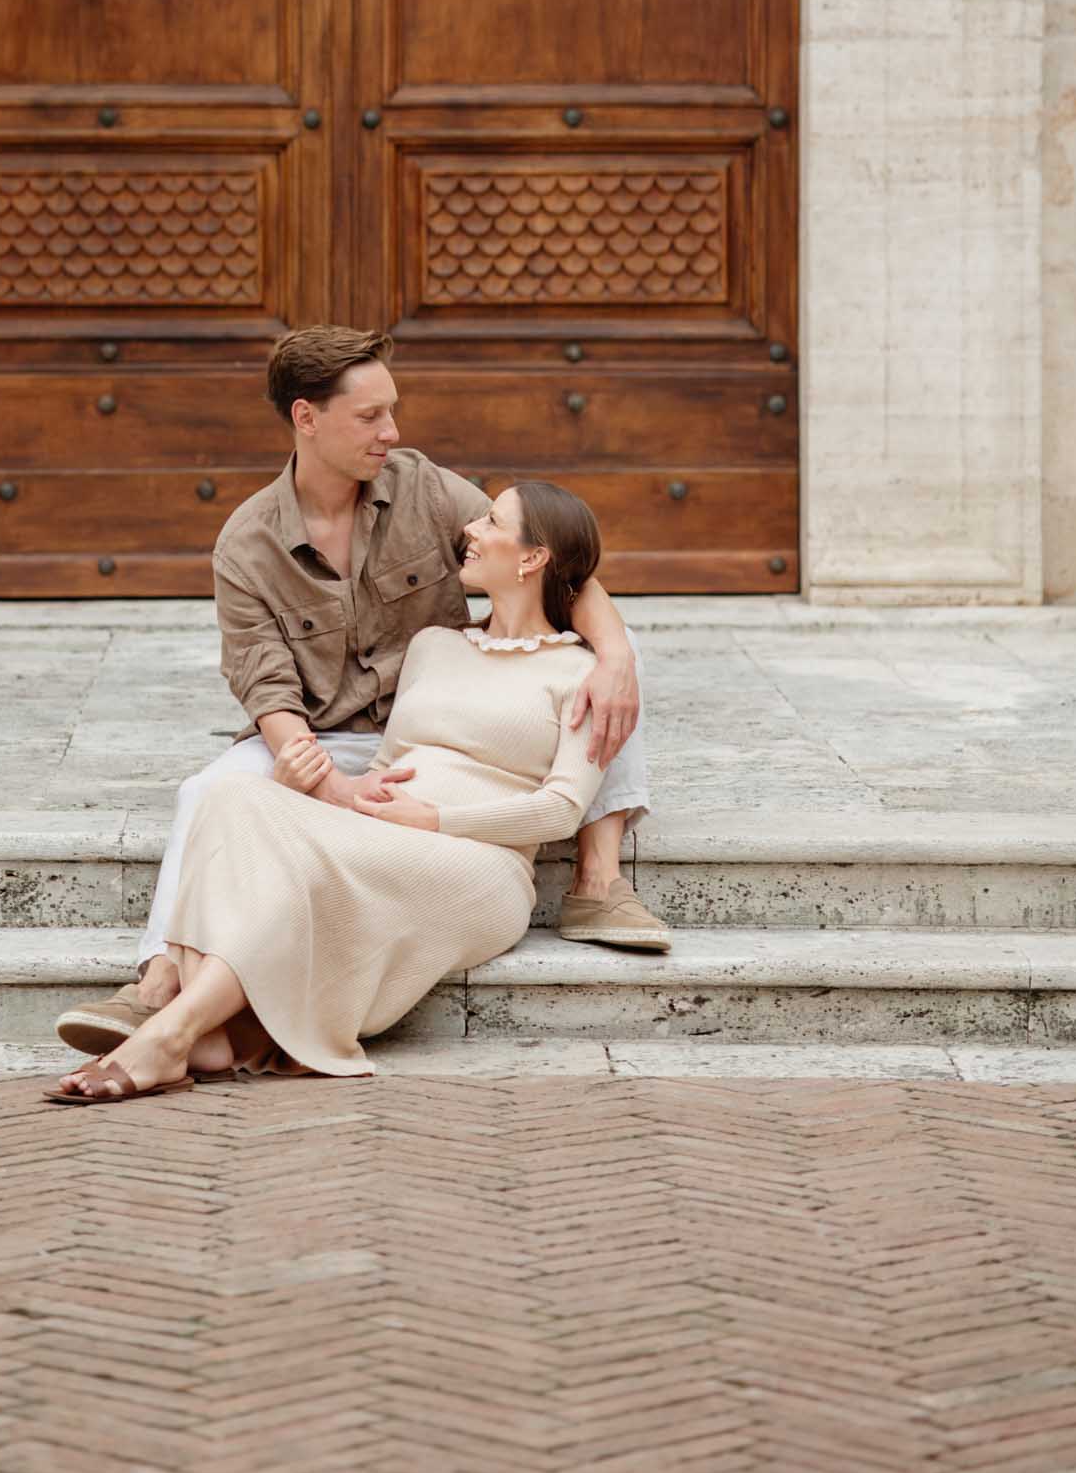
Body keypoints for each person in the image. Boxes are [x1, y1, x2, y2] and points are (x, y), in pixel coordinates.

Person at [54, 325, 667, 1061]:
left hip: (444, 724)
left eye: (392, 410)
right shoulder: (247, 543)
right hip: (329, 736)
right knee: (207, 793)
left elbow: (557, 561)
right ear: (306, 418)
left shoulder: (425, 489)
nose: (392, 431)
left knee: (607, 676)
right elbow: (262, 678)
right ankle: (156, 983)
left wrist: (619, 655)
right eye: (370, 416)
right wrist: (321, 780)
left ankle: (598, 880)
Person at [47, 477, 619, 1100]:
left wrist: (432, 820)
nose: (470, 530)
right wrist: (341, 796)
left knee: (301, 862)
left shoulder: (583, 674)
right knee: (227, 795)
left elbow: (562, 810)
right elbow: (392, 756)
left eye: (491, 523)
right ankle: (209, 1032)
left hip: (481, 863)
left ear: (533, 557)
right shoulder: (434, 646)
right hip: (383, 829)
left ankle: (171, 1034)